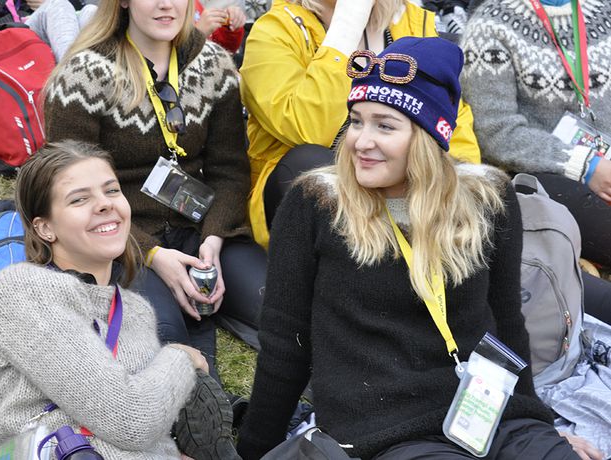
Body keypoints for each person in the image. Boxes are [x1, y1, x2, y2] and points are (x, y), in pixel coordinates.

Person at [236, 37, 603, 459]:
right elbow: (287, 342)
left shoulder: (487, 197)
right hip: (387, 430)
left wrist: (539, 425)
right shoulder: (317, 203)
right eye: (356, 121)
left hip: (490, 416)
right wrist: (254, 449)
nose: (360, 141)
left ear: (428, 136)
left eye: (384, 126)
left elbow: (506, 325)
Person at [43, 0, 266, 379]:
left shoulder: (213, 65)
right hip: (120, 237)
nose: (166, 4)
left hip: (201, 226)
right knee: (163, 339)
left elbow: (229, 169)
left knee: (279, 307)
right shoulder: (82, 76)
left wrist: (214, 239)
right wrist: (153, 253)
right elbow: (73, 191)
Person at [0, 140, 239, 459]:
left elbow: (147, 419)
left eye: (112, 191)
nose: (104, 204)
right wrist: (181, 357)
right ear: (45, 228)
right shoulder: (22, 292)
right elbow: (130, 421)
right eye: (79, 199)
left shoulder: (136, 311)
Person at [239, 0, 482, 248]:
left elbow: (449, 123)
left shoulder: (410, 22)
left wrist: (461, 187)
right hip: (317, 205)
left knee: (470, 188)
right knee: (310, 162)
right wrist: (347, 26)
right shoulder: (276, 29)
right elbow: (310, 129)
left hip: (411, 193)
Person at [460, 0, 611, 270]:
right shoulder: (489, 26)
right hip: (545, 175)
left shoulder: (603, 11)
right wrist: (587, 166)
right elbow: (497, 133)